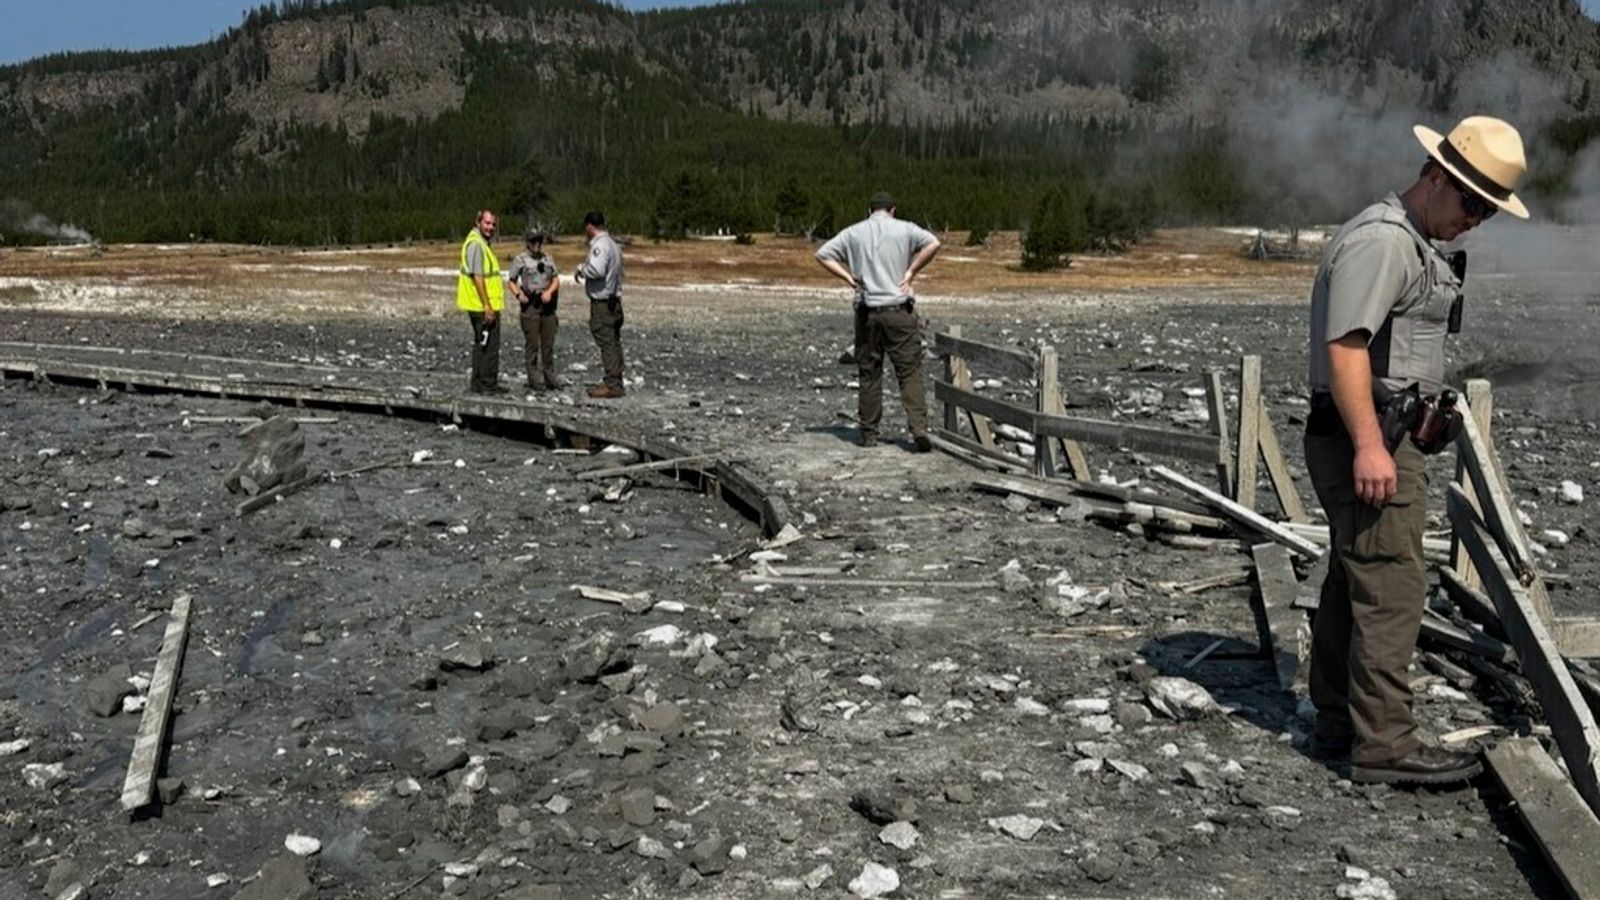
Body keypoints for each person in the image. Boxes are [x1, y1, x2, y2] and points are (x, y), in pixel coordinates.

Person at [1304, 116, 1529, 785]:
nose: (1476, 219)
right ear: (1436, 176)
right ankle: (1385, 747)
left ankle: (1341, 722)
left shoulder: (1409, 241)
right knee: (1393, 585)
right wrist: (1372, 446)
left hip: (1375, 431)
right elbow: (1345, 348)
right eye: (1471, 203)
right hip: (1367, 436)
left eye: (1488, 210)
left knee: (1357, 579)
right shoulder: (1385, 242)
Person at [815, 191, 942, 451]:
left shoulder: (853, 232)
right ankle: (918, 428)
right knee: (909, 371)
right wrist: (911, 272)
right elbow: (933, 243)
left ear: (869, 210)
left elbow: (823, 254)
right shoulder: (905, 229)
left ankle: (869, 433)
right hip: (899, 308)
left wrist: (848, 278)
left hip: (867, 309)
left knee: (869, 372)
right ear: (892, 210)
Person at [573, 210, 626, 399]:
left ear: (589, 226)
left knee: (606, 342)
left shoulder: (600, 246)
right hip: (614, 300)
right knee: (613, 341)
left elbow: (596, 269)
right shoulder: (613, 244)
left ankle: (612, 384)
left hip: (603, 302)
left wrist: (581, 269)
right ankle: (616, 378)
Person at [456, 210, 506, 394]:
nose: (490, 228)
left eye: (493, 224)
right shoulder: (477, 244)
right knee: (490, 346)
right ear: (478, 222)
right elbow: (478, 277)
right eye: (487, 223)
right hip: (481, 305)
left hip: (477, 304)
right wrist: (487, 306)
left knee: (481, 343)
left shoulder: (478, 242)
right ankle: (487, 384)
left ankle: (477, 383)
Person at [507, 229, 563, 392]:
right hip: (531, 304)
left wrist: (549, 292)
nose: (537, 244)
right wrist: (519, 294)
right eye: (533, 241)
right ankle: (534, 378)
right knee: (532, 343)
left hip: (547, 304)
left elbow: (556, 279)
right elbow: (511, 281)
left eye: (539, 241)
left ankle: (550, 376)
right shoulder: (520, 260)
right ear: (527, 243)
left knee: (548, 343)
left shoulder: (548, 259)